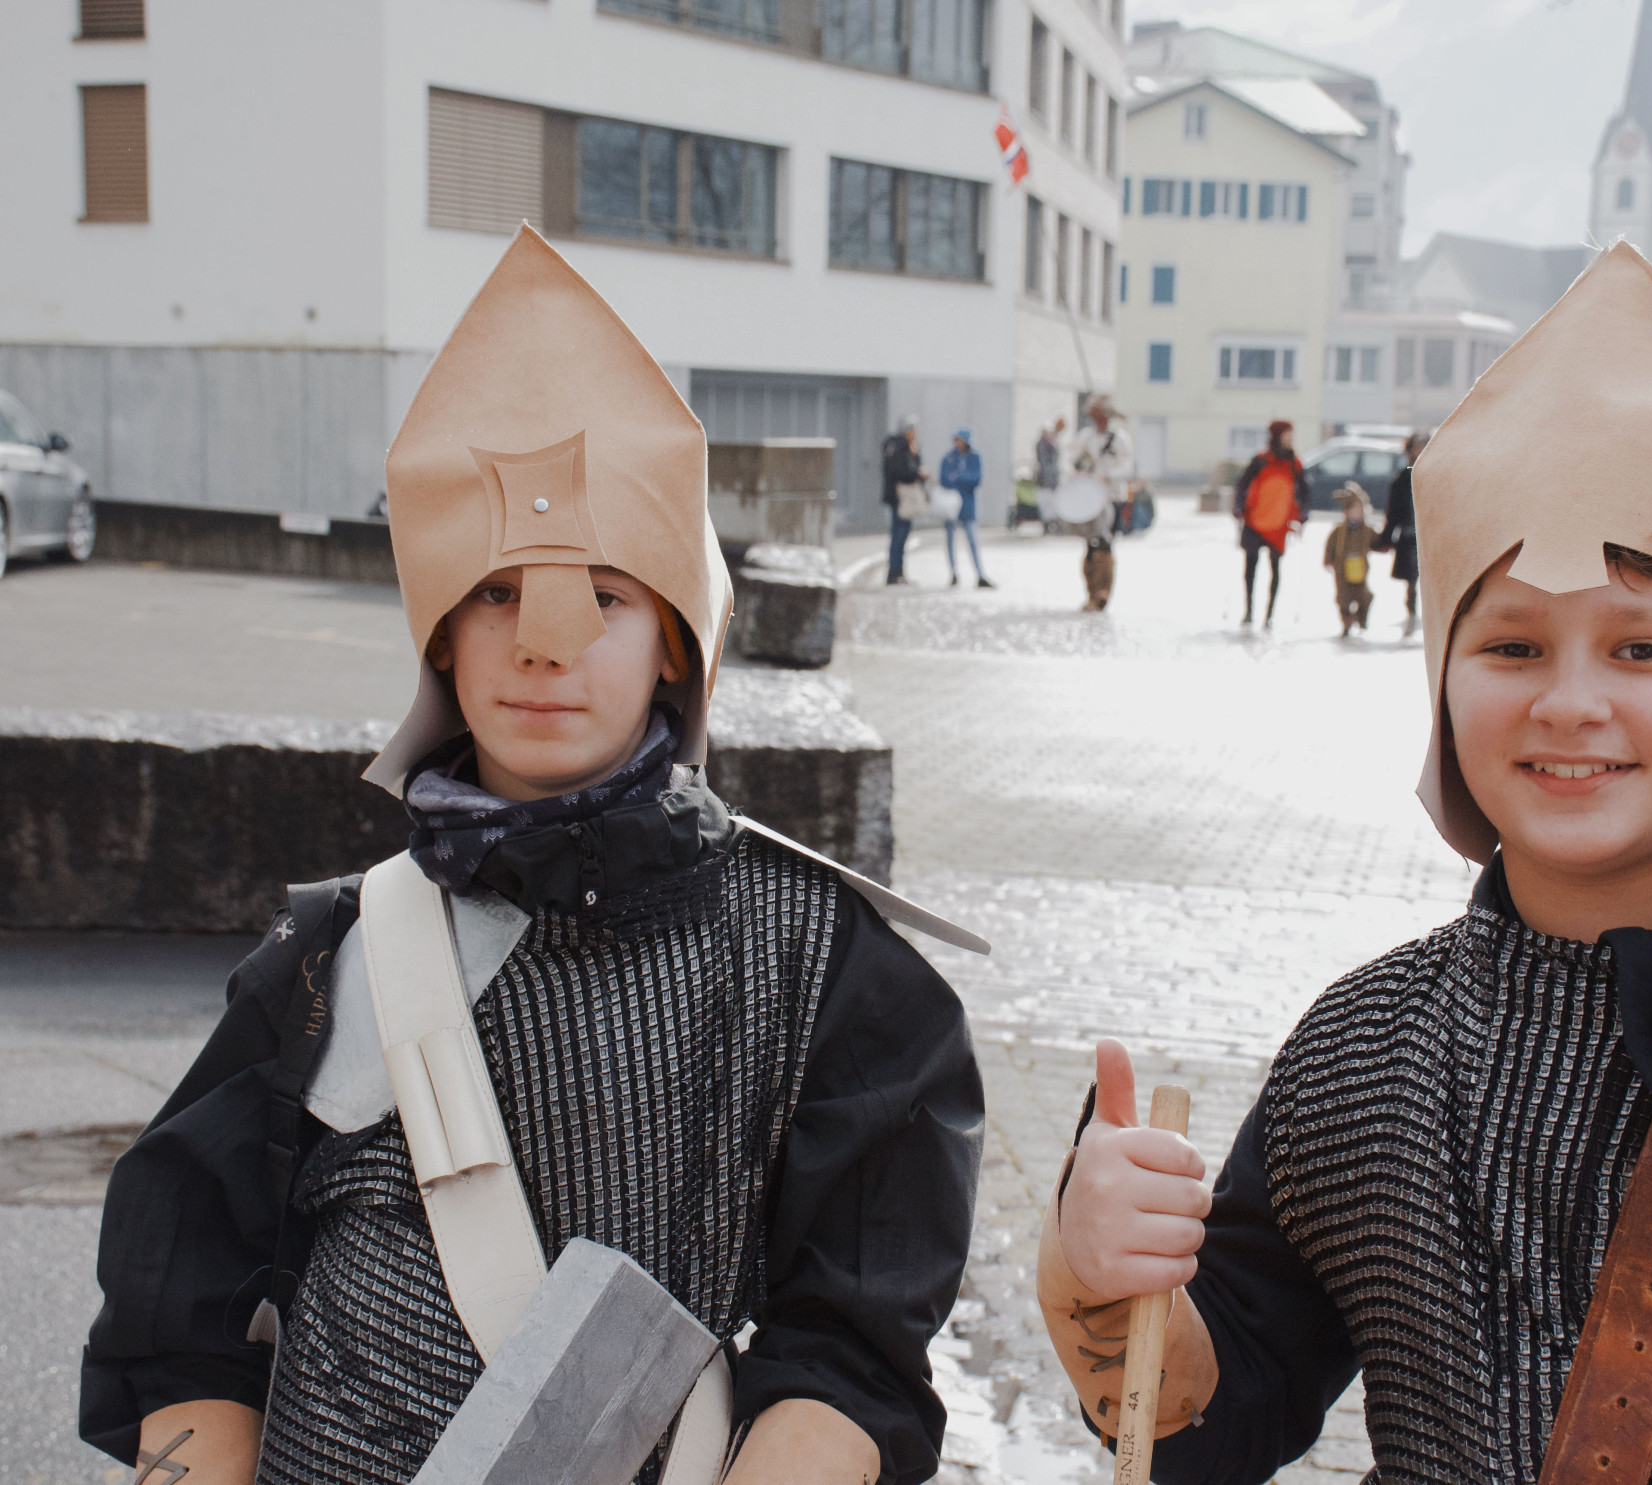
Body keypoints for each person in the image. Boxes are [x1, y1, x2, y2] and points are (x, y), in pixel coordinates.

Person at [1035, 243, 1652, 1482]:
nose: (1568, 702)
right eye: (1510, 647)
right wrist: (1097, 1272)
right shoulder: (1361, 1051)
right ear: (1442, 686)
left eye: (1641, 649)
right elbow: (1211, 1424)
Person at [80, 227, 984, 1485]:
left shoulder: (823, 967)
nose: (543, 645)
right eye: (496, 592)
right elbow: (182, 1312)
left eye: (603, 597)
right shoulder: (330, 960)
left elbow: (853, 1352)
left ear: (673, 644)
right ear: (440, 634)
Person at [1232, 420, 1308, 628]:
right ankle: (1249, 610)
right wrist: (1239, 506)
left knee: (1275, 566)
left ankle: (1269, 614)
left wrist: (1303, 512)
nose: (1291, 439)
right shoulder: (1260, 460)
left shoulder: (1294, 463)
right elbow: (1242, 484)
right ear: (1278, 436)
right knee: (1251, 565)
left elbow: (1305, 489)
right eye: (1287, 434)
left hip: (1279, 522)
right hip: (1255, 520)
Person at [1067, 397, 1133, 612]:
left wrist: (1108, 474)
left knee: (1106, 543)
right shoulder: (1086, 437)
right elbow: (1070, 459)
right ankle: (1091, 592)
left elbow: (1127, 466)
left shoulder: (1119, 439)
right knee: (1090, 545)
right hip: (1090, 498)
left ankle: (1102, 593)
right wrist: (1078, 473)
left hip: (1112, 497)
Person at [1375, 429, 1425, 637]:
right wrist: (1386, 538)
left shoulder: (1437, 476)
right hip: (1409, 535)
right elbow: (1393, 511)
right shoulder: (1403, 479)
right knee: (1412, 580)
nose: (1421, 451)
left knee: (1431, 580)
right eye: (1417, 447)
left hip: (1430, 537)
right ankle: (1412, 612)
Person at [937, 426, 996, 589]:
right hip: (950, 505)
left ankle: (980, 574)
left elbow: (976, 479)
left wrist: (957, 477)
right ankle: (953, 573)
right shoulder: (948, 458)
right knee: (950, 539)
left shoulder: (975, 457)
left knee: (972, 539)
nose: (958, 443)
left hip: (968, 504)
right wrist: (960, 479)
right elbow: (944, 479)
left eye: (961, 440)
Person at [1321, 482, 1375, 636]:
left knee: (1365, 596)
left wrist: (1385, 545)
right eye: (1353, 510)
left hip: (1360, 569)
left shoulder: (1366, 531)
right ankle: (1347, 623)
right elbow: (1330, 546)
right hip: (1342, 570)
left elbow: (1376, 542)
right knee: (1343, 599)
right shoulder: (1339, 532)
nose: (1357, 514)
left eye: (1359, 510)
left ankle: (1361, 619)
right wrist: (1328, 560)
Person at [881, 415, 926, 586]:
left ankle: (898, 571)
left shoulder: (902, 445)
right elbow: (900, 471)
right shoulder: (899, 446)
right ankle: (894, 572)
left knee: (902, 534)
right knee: (898, 535)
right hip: (900, 496)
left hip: (899, 496)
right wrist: (917, 473)